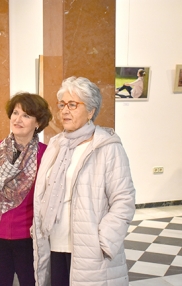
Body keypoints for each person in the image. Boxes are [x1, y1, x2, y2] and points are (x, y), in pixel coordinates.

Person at [32, 76, 136, 285]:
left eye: (73, 105)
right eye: (62, 105)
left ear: (90, 111)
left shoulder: (107, 147)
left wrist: (104, 240)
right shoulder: (56, 145)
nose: (64, 111)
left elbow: (124, 200)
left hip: (89, 249)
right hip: (54, 243)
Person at [0, 92, 52, 286]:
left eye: (26, 115)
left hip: (30, 240)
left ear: (38, 123)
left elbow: (50, 201)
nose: (18, 119)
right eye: (15, 113)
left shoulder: (46, 154)